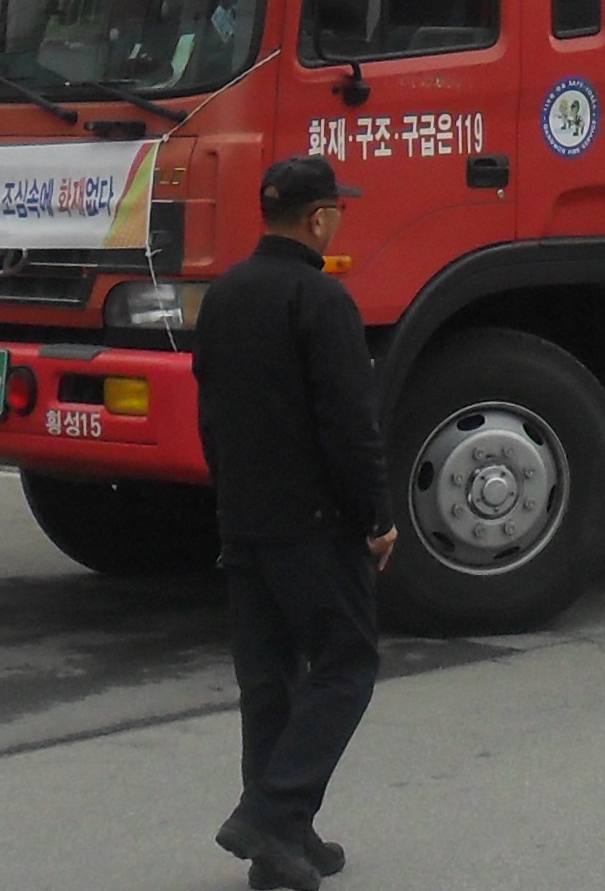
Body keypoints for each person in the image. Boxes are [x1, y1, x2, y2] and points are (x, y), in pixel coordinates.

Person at [197, 154, 394, 888]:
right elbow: (350, 425)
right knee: (347, 664)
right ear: (317, 219)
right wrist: (375, 515)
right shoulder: (322, 300)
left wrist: (230, 500)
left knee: (268, 679)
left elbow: (211, 414)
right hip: (314, 523)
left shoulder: (224, 295)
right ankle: (273, 814)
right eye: (337, 208)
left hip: (244, 519)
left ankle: (281, 844)